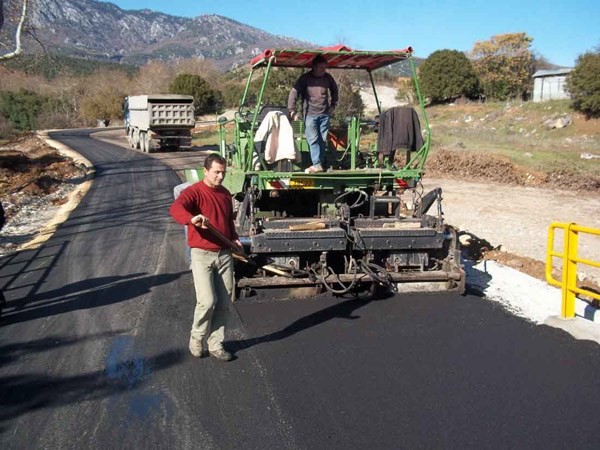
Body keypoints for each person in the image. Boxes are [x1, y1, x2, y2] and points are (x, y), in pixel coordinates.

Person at [169, 154, 241, 362]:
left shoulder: (226, 194)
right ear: (205, 171)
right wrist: (192, 219)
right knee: (207, 301)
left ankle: (216, 344)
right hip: (201, 254)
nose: (220, 176)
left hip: (224, 254)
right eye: (216, 172)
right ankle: (197, 338)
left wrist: (234, 239)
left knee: (226, 301)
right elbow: (176, 209)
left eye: (223, 172)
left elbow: (228, 223)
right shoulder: (195, 192)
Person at [288, 54, 338, 173]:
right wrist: (292, 110)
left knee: (322, 139)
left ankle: (318, 164)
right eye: (321, 68)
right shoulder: (305, 78)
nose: (323, 70)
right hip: (310, 115)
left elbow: (335, 90)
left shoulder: (328, 78)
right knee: (313, 139)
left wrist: (333, 105)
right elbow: (293, 93)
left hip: (324, 114)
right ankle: (317, 163)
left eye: (325, 68)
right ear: (314, 67)